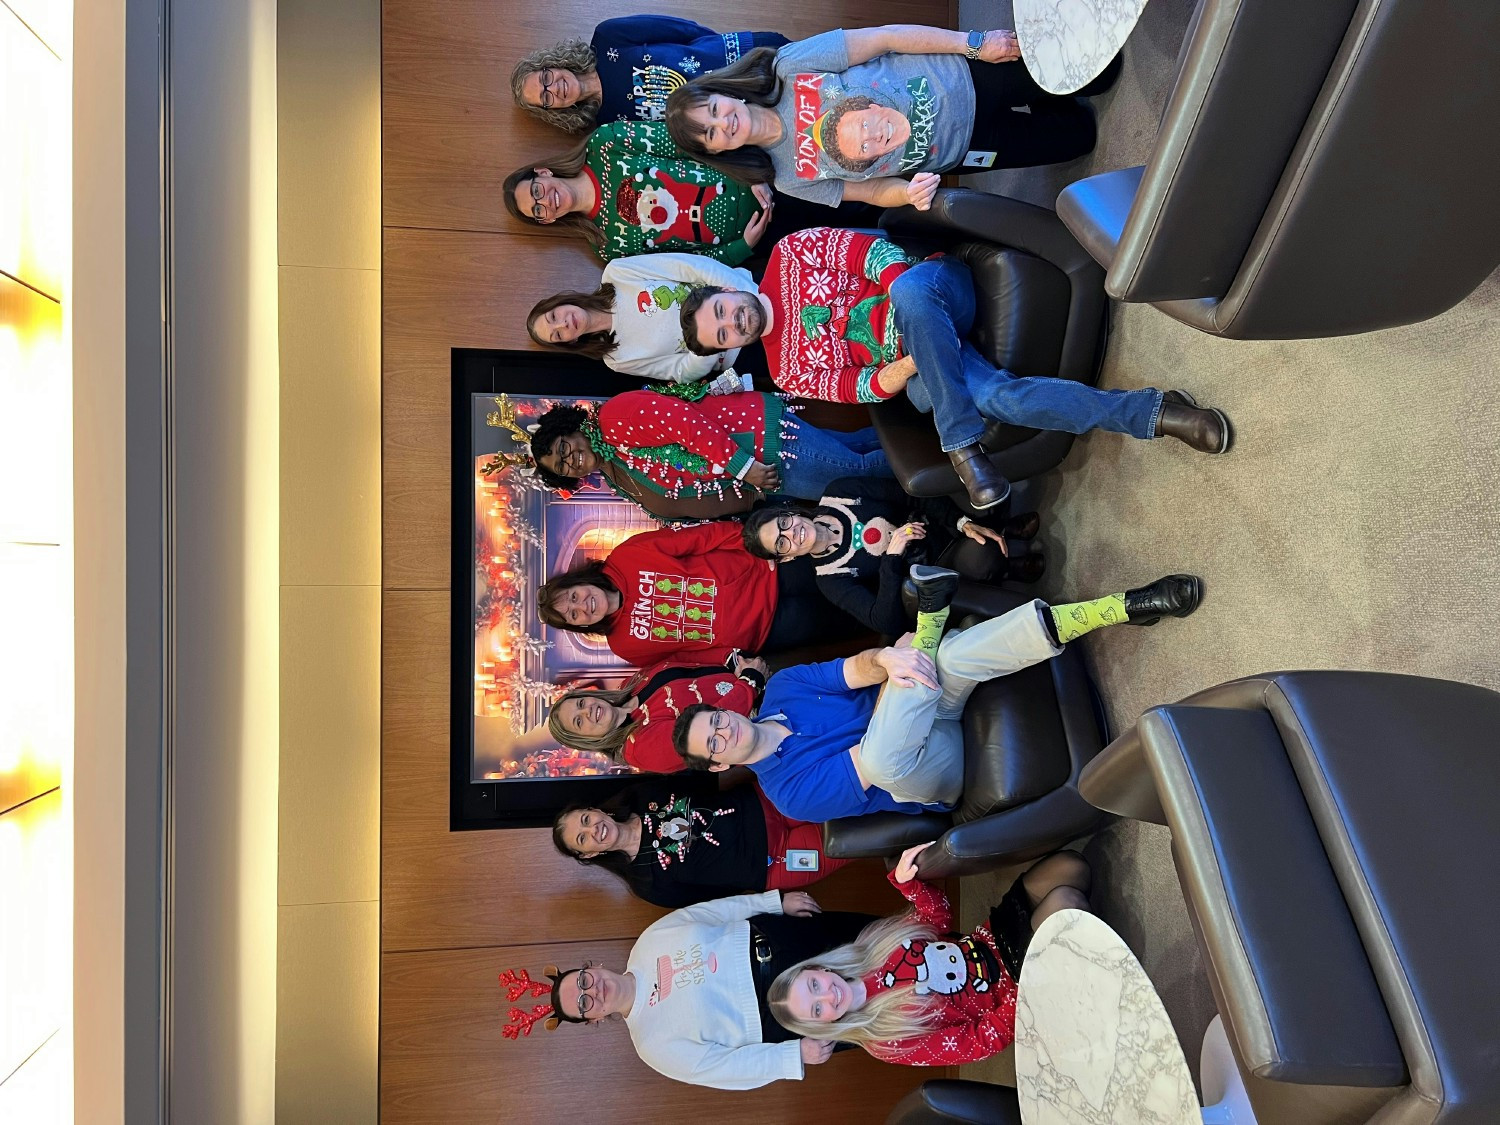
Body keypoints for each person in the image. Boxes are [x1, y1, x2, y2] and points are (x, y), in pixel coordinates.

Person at [680, 227, 1233, 510]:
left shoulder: (789, 253)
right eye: (724, 334)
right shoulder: (785, 370)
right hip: (920, 365)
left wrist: (915, 318)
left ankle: (959, 442)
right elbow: (866, 387)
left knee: (915, 294)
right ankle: (1158, 412)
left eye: (724, 311)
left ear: (728, 291)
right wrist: (921, 354)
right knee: (1001, 400)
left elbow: (874, 257)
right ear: (728, 349)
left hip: (932, 290)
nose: (735, 322)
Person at [673, 566, 1205, 821]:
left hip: (928, 703)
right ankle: (931, 625)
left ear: (725, 707)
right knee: (882, 757)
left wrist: (885, 659)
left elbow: (852, 670)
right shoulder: (789, 796)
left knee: (947, 659)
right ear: (720, 766)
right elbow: (869, 759)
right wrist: (904, 662)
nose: (725, 731)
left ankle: (1121, 607)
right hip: (928, 773)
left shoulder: (783, 688)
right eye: (714, 744)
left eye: (715, 721)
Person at [665, 25, 1116, 209]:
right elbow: (873, 191)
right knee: (1081, 135)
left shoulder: (787, 67)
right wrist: (909, 193)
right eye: (711, 134)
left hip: (966, 76)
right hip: (965, 148)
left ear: (724, 93)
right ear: (719, 151)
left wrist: (973, 43)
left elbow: (885, 39)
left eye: (714, 110)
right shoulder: (787, 177)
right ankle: (1049, 102)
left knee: (1103, 73)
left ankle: (1041, 89)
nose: (723, 124)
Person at [512, 889, 879, 1089]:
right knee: (885, 1006)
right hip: (785, 1016)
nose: (593, 991)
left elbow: (713, 912)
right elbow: (725, 1068)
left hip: (783, 938)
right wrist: (791, 1055)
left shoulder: (647, 941)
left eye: (583, 981)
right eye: (584, 1003)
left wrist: (772, 902)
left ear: (592, 967)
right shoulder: (652, 1047)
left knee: (881, 938)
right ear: (593, 1020)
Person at [768, 844, 1092, 1064]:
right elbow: (976, 1043)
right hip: (1016, 993)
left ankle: (1080, 961)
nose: (827, 996)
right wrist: (1024, 994)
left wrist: (909, 886)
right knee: (1066, 903)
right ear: (823, 1025)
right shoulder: (884, 1042)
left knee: (1071, 866)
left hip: (993, 939)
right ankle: (1080, 978)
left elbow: (938, 921)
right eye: (817, 1010)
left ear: (819, 970)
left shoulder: (868, 946)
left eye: (813, 986)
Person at [742, 478, 1044, 636]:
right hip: (937, 563)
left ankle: (1000, 528)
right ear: (786, 559)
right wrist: (891, 559)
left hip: (938, 521)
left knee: (964, 498)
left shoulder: (839, 494)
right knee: (981, 557)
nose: (792, 534)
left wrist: (960, 523)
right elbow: (883, 621)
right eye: (782, 544)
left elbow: (907, 494)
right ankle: (1008, 567)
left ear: (789, 512)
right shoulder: (831, 580)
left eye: (784, 523)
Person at [534, 519, 860, 666]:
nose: (583, 607)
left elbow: (700, 539)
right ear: (580, 625)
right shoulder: (624, 646)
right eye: (573, 615)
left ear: (579, 582)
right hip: (772, 630)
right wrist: (732, 657)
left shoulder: (626, 557)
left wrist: (758, 546)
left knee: (853, 571)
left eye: (574, 597)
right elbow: (685, 658)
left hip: (772, 571)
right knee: (855, 617)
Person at [526, 393, 892, 523]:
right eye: (562, 465)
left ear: (570, 428)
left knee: (855, 474)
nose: (570, 459)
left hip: (762, 452)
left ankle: (945, 464)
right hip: (762, 477)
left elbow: (684, 422)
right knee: (860, 449)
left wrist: (745, 469)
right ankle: (933, 437)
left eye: (563, 447)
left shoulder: (613, 419)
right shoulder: (614, 473)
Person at [551, 772, 850, 908]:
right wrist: (777, 902)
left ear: (595, 810)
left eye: (586, 819)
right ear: (588, 855)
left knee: (854, 796)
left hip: (772, 800)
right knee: (855, 838)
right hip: (776, 861)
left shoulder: (641, 795)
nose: (594, 830)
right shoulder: (646, 883)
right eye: (583, 838)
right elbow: (719, 905)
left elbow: (712, 779)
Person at [511, 18, 790, 132]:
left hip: (745, 59)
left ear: (552, 64)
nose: (554, 89)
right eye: (545, 98)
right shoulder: (605, 125)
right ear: (553, 110)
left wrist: (717, 54)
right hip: (743, 119)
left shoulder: (608, 37)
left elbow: (682, 29)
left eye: (545, 78)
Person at [525, 253, 754, 383]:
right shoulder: (617, 360)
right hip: (742, 354)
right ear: (568, 342)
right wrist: (710, 346)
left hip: (749, 295)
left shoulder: (617, 274)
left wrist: (745, 294)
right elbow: (682, 372)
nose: (563, 323)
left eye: (554, 316)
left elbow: (690, 266)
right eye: (558, 334)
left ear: (560, 302)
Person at [547, 649, 767, 773]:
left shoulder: (630, 685)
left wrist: (731, 659)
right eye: (578, 721)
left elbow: (682, 658)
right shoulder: (639, 749)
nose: (587, 711)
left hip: (754, 673)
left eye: (580, 703)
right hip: (759, 720)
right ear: (584, 739)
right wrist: (749, 682)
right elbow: (711, 734)